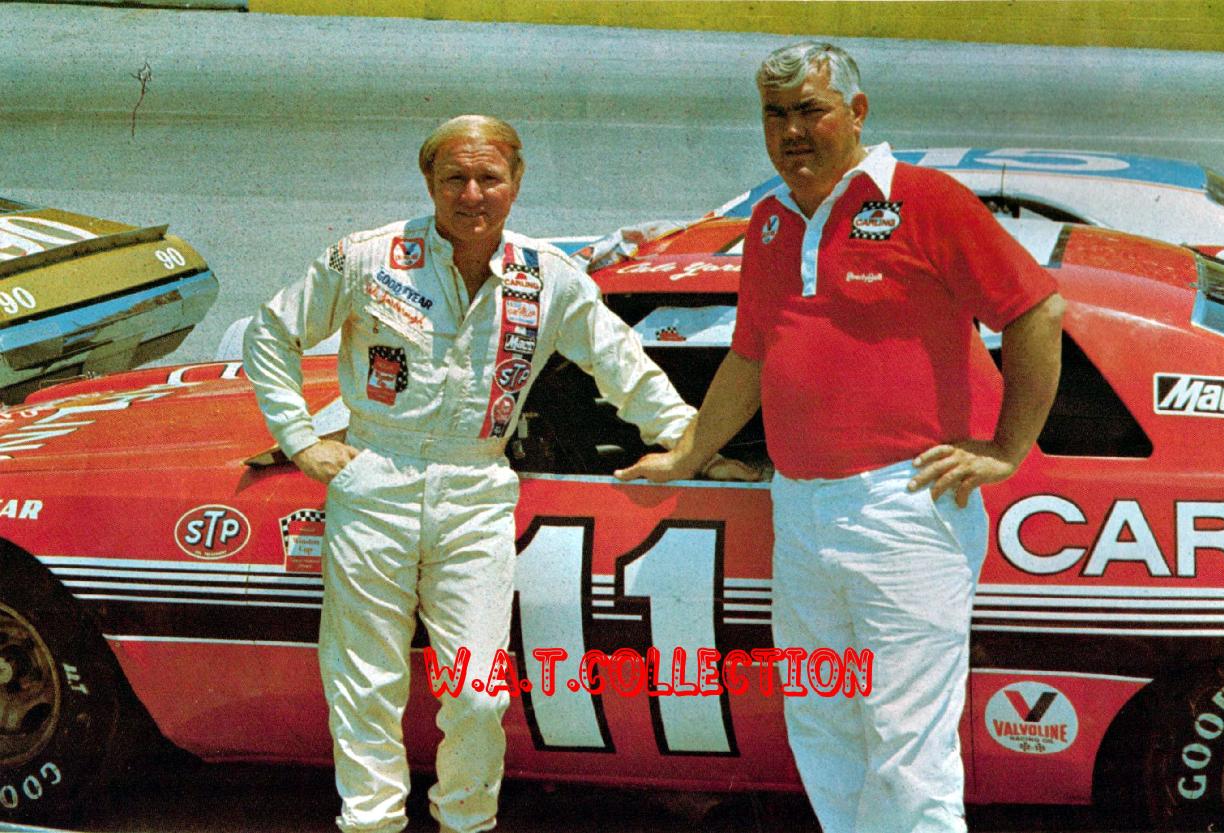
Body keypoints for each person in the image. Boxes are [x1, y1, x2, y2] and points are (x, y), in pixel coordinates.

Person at [617, 42, 1066, 833]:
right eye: (775, 115)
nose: (792, 131)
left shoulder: (925, 199)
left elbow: (1036, 310)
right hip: (800, 508)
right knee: (823, 725)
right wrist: (689, 453)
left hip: (905, 504)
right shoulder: (769, 221)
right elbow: (750, 355)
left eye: (811, 111)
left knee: (907, 746)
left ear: (856, 113)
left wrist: (1006, 448)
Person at [242, 114, 700, 833]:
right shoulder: (367, 257)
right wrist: (300, 440)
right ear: (429, 181)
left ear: (516, 182)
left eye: (489, 177)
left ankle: (465, 822)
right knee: (364, 684)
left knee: (479, 692)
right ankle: (371, 824)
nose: (472, 194)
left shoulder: (548, 276)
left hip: (477, 487)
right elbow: (270, 332)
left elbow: (622, 366)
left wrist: (690, 442)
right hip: (374, 476)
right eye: (455, 177)